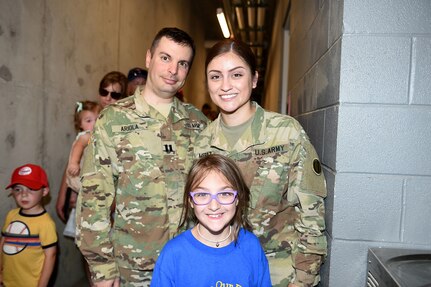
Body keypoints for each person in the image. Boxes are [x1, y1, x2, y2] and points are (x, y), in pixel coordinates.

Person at [76, 27, 209, 287]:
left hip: (190, 265)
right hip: (132, 269)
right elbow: (94, 197)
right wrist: (102, 268)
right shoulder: (113, 119)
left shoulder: (199, 124)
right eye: (165, 58)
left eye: (183, 63)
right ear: (149, 58)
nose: (173, 70)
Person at [193, 39, 327, 287]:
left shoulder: (286, 133)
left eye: (236, 74)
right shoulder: (201, 145)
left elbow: (311, 214)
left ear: (254, 79)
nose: (225, 86)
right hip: (221, 273)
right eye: (215, 76)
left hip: (278, 272)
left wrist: (304, 279)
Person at [151, 154, 272, 287]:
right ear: (190, 201)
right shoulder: (173, 254)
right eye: (202, 195)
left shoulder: (251, 246)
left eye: (225, 194)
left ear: (237, 198)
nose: (214, 206)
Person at [56, 71, 127, 222]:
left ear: (122, 98)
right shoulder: (91, 117)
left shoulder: (123, 125)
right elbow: (75, 156)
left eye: (114, 95)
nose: (108, 98)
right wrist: (63, 195)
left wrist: (110, 206)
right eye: (104, 91)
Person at [0, 164, 58, 287]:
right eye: (18, 189)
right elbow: (3, 242)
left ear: (44, 191)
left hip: (30, 283)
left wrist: (42, 285)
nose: (23, 194)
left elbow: (50, 256)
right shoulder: (11, 215)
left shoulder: (45, 223)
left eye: (31, 188)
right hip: (7, 280)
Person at [62, 100, 101, 238]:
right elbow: (78, 147)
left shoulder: (97, 135)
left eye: (98, 119)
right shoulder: (87, 136)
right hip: (83, 176)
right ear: (80, 124)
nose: (94, 124)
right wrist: (74, 163)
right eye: (89, 120)